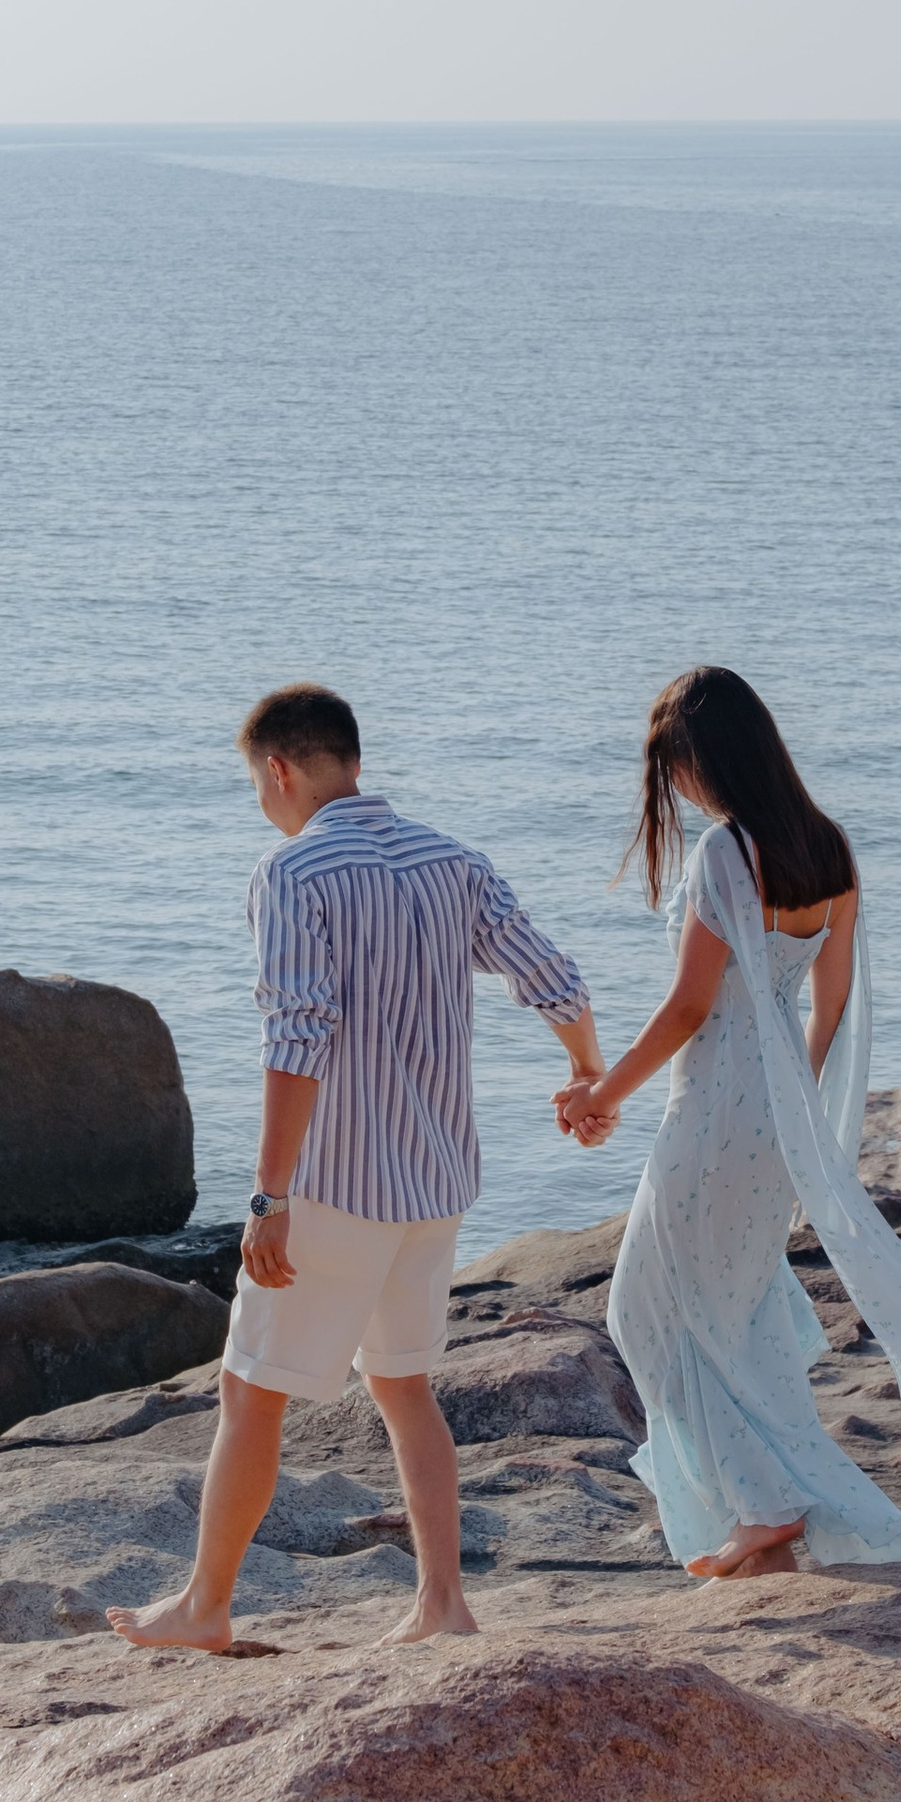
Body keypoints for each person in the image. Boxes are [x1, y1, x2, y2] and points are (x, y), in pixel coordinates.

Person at [109, 684, 602, 1654]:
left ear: (281, 771)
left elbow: (297, 1036)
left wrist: (268, 1196)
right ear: (355, 763)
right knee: (405, 1389)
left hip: (335, 1187)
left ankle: (206, 1607)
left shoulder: (293, 873)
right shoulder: (453, 863)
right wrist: (586, 1070)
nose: (263, 801)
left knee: (251, 1388)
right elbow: (555, 978)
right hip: (433, 1185)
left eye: (259, 784)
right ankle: (443, 1604)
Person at [554, 665, 901, 1576]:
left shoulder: (723, 855)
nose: (679, 791)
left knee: (644, 1313)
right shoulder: (831, 847)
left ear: (707, 760)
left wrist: (601, 1095)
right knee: (731, 1314)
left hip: (709, 1114)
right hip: (781, 1116)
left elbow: (690, 1008)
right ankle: (762, 1504)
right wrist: (797, 1097)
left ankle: (765, 1503)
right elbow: (835, 995)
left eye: (676, 769)